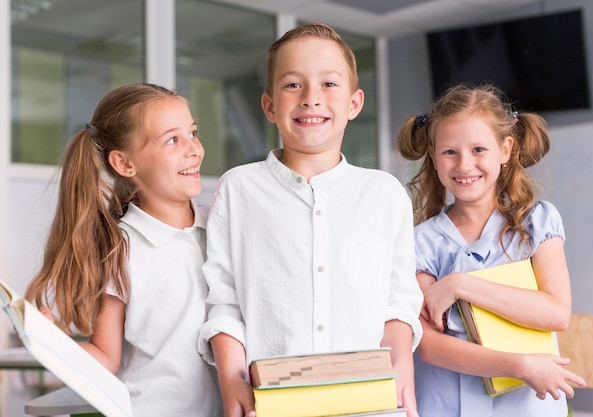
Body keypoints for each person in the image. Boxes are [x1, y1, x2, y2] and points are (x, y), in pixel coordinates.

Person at [197, 23, 423, 417]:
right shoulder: (238, 189)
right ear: (269, 106)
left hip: (368, 404)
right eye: (292, 85)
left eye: (329, 84)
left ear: (354, 103)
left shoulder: (384, 194)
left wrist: (402, 367)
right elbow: (224, 301)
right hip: (270, 404)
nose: (311, 98)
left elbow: (398, 302)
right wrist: (231, 378)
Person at [25, 83, 222, 416]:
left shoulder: (221, 227)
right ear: (125, 164)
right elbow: (105, 356)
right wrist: (49, 344)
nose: (195, 149)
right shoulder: (118, 248)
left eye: (193, 132)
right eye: (173, 139)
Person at [396, 83, 586, 417]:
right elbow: (429, 346)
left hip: (526, 406)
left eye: (479, 150)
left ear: (505, 150)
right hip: (445, 406)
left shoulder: (536, 223)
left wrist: (460, 284)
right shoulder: (418, 242)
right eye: (450, 152)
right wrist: (520, 366)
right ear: (433, 155)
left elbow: (556, 312)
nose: (464, 165)